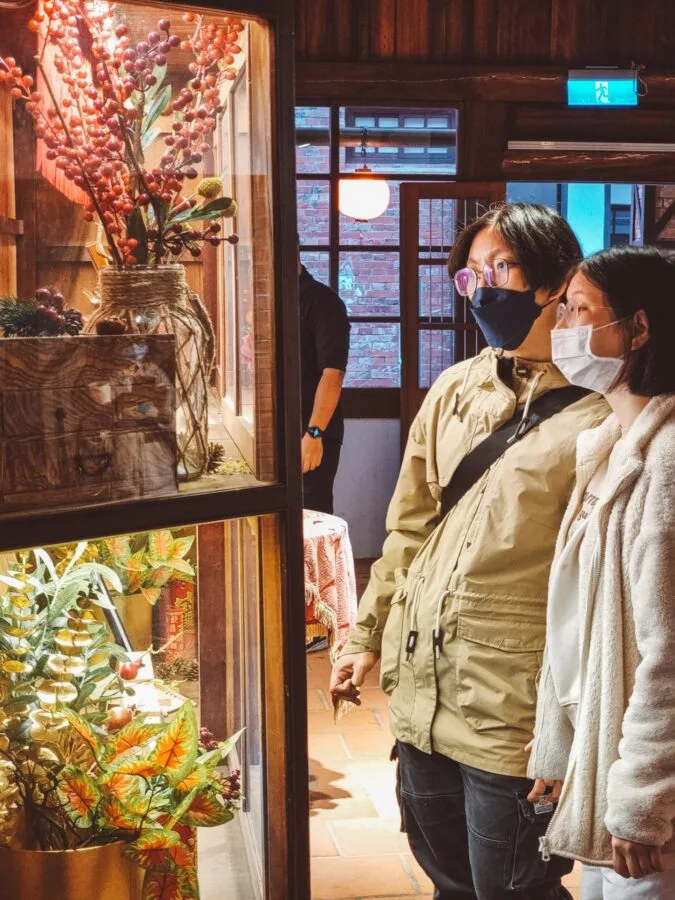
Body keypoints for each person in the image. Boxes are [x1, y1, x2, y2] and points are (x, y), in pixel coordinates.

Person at [329, 202, 609, 900]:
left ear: (554, 279)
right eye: (471, 273)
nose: (485, 288)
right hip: (421, 689)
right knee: (447, 881)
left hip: (512, 706)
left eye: (503, 268)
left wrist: (576, 729)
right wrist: (365, 636)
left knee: (514, 887)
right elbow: (410, 528)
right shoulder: (457, 388)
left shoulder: (606, 407)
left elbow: (610, 583)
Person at [527, 245, 675, 900]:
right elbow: (579, 623)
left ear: (638, 329)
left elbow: (666, 654)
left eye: (578, 310)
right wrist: (561, 752)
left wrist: (641, 800)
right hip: (605, 755)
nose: (560, 329)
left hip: (648, 798)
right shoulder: (609, 443)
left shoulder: (666, 460)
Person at [299, 252, 350, 516]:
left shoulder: (324, 302)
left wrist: (314, 434)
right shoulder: (273, 297)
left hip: (314, 431)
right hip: (280, 434)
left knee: (312, 515)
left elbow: (333, 373)